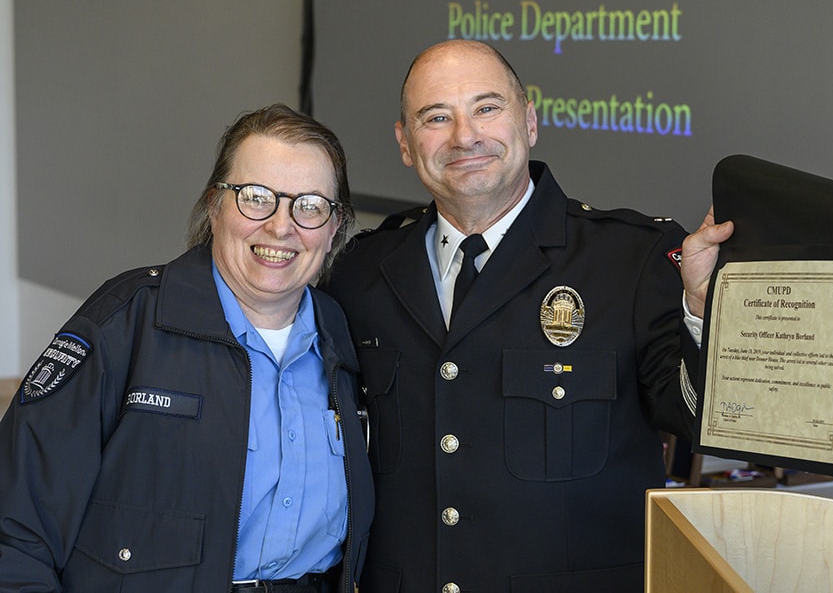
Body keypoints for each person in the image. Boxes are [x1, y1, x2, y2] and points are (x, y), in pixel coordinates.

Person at [320, 41, 732, 592]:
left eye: (487, 108)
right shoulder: (359, 272)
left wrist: (706, 313)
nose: (465, 135)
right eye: (436, 117)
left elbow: (702, 421)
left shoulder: (632, 259)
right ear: (404, 143)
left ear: (530, 121)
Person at [0, 103, 374, 592]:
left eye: (309, 205)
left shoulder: (344, 336)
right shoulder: (125, 320)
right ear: (215, 205)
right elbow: (16, 529)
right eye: (256, 197)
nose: (282, 226)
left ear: (333, 229)